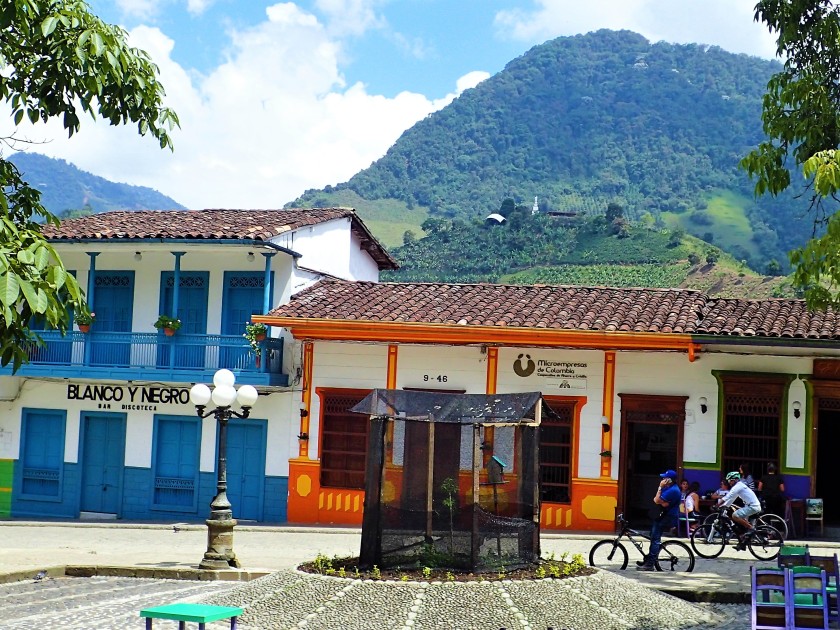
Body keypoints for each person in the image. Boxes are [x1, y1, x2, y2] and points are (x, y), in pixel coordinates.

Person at [637, 469, 681, 571]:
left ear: (669, 480)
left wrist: (660, 487)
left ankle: (650, 564)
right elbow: (658, 500)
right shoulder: (669, 488)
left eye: (664, 478)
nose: (662, 479)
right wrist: (660, 500)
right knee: (653, 536)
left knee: (655, 539)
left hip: (667, 516)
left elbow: (657, 500)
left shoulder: (672, 490)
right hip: (663, 514)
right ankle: (649, 558)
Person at [721, 471, 762, 550]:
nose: (729, 482)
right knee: (739, 523)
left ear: (735, 480)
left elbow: (728, 496)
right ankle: (742, 543)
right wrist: (724, 506)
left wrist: (717, 505)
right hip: (751, 506)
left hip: (753, 507)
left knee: (735, 515)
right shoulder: (739, 487)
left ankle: (751, 528)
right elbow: (732, 499)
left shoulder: (738, 486)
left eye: (730, 480)